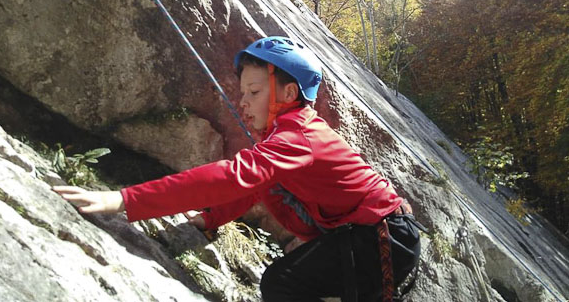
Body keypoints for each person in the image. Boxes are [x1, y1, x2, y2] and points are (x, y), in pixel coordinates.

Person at [54, 36, 422, 301]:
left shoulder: (300, 137)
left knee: (283, 284)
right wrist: (209, 219)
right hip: (373, 235)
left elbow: (234, 176)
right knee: (290, 281)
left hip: (383, 239)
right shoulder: (287, 136)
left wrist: (123, 200)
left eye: (255, 92)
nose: (243, 103)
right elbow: (255, 187)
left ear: (289, 94)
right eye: (243, 93)